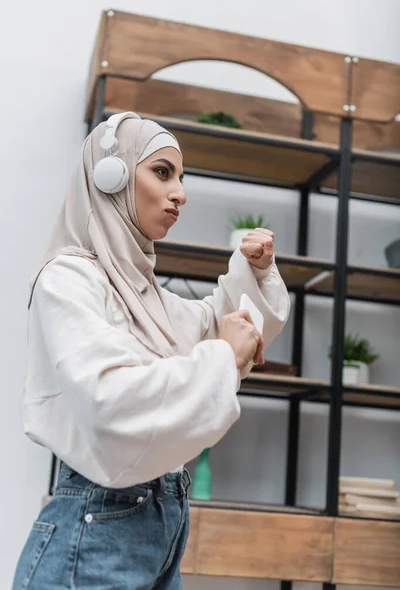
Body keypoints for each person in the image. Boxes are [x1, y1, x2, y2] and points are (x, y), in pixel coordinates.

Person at [12, 112, 290, 589]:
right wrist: (224, 354)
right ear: (110, 176)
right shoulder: (69, 279)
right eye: (163, 172)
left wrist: (255, 272)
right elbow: (111, 399)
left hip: (160, 524)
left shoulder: (148, 297)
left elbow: (211, 325)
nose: (180, 192)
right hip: (97, 527)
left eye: (181, 177)